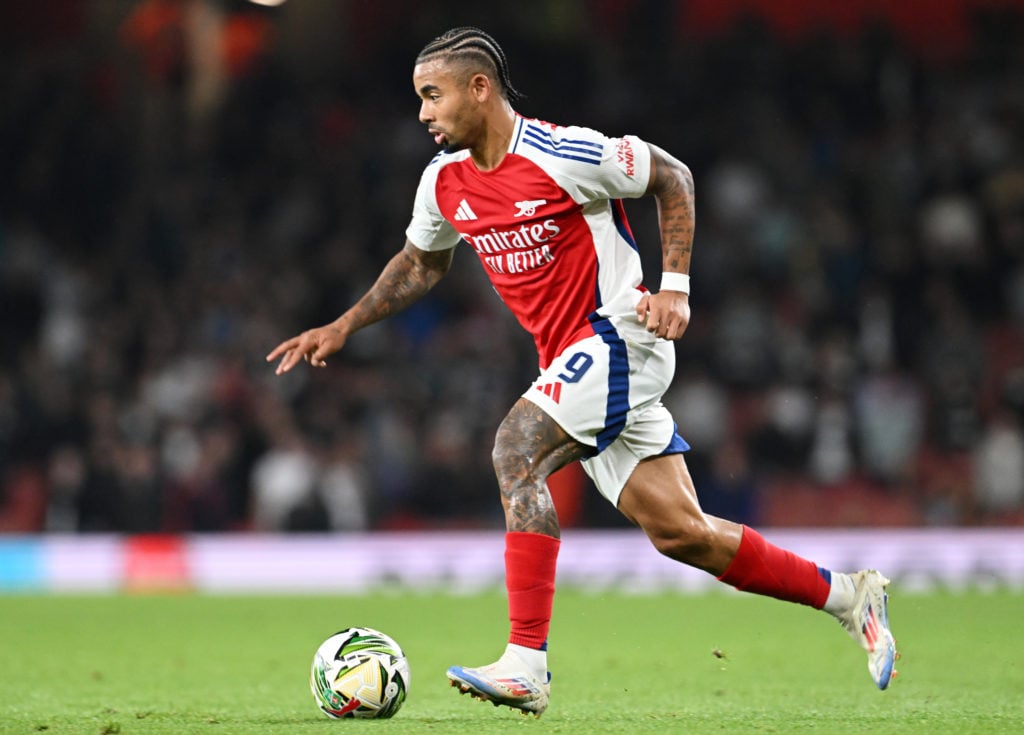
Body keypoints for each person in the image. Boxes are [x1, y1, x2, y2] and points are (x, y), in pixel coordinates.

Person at [267, 27, 898, 717]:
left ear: (479, 88)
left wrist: (676, 287)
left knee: (515, 448)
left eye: (432, 95)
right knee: (682, 532)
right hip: (572, 360)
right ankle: (849, 595)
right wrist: (344, 325)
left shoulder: (562, 152)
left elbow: (673, 177)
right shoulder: (443, 183)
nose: (422, 113)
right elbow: (422, 262)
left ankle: (526, 662)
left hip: (622, 332)